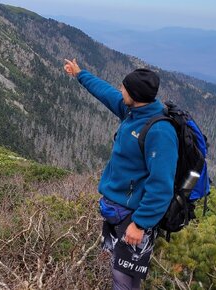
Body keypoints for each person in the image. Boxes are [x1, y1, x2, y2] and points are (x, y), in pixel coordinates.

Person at [63, 59, 178, 289]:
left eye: (124, 88)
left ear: (135, 95)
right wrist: (79, 74)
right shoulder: (132, 111)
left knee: (124, 281)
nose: (120, 90)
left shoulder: (160, 131)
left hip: (132, 219)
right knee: (115, 276)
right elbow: (105, 92)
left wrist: (140, 224)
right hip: (115, 214)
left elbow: (162, 187)